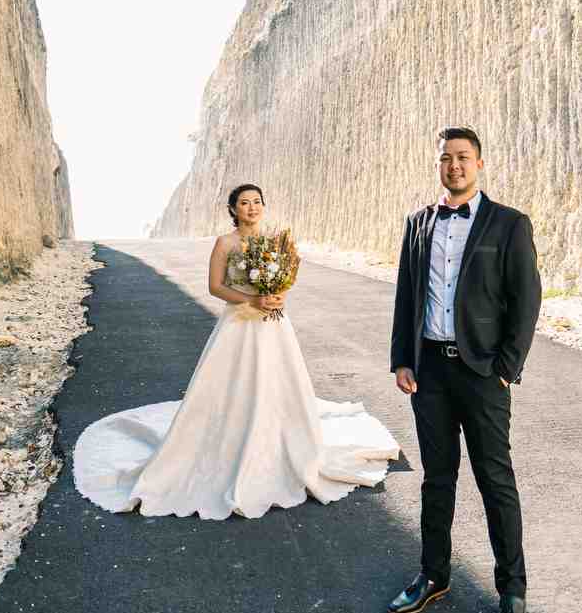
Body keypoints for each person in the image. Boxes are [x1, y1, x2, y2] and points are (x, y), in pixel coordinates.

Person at [74, 184, 399, 519]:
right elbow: (215, 286)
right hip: (239, 323)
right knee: (235, 384)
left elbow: (283, 278)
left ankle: (281, 444)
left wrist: (277, 295)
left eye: (257, 202)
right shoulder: (225, 243)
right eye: (244, 203)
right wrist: (252, 299)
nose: (252, 207)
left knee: (278, 381)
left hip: (273, 323)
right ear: (233, 209)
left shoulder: (273, 240)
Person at [387, 128, 541, 613]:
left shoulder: (510, 223)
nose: (454, 165)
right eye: (446, 158)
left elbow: (526, 300)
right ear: (438, 164)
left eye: (463, 157)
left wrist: (507, 367)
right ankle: (433, 575)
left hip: (482, 374)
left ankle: (512, 591)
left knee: (495, 481)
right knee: (437, 478)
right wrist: (401, 359)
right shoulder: (418, 223)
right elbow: (407, 295)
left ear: (479, 163)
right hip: (428, 371)